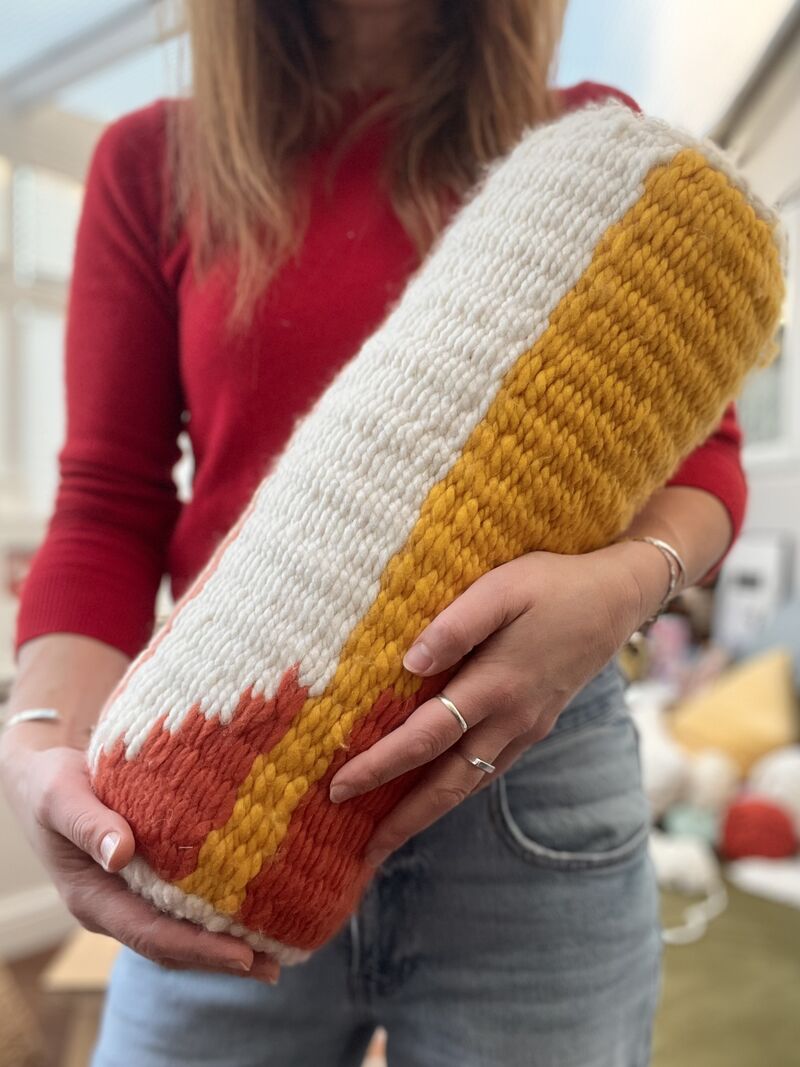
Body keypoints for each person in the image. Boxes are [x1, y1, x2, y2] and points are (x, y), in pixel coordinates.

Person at [0, 2, 747, 1064]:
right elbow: (109, 501)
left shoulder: (587, 144)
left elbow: (702, 461)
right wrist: (38, 737)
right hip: (219, 766)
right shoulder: (156, 163)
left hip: (523, 760)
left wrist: (626, 585)